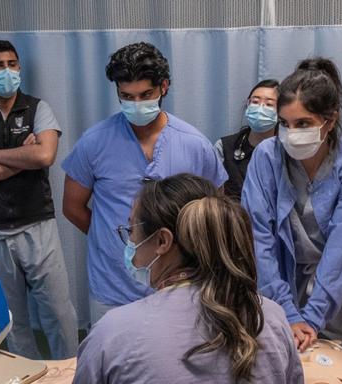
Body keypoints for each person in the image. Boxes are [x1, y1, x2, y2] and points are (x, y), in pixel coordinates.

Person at [68, 174, 303, 384]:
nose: (130, 244)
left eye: (132, 231)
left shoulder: (112, 335)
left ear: (162, 241)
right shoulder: (269, 317)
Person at [61, 42, 227, 327]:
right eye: (126, 96)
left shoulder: (194, 145)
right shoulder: (94, 142)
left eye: (145, 95)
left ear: (164, 87)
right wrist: (116, 242)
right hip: (112, 285)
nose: (136, 104)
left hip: (179, 286)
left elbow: (215, 210)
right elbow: (72, 207)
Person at [0, 40, 78, 360]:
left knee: (58, 313)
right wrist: (25, 156)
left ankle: (72, 374)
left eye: (12, 64)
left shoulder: (38, 108)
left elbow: (46, 154)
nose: (6, 71)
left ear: (19, 68)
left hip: (38, 223)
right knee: (12, 319)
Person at [242, 57, 342, 352]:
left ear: (331, 120)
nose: (291, 133)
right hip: (275, 280)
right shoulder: (267, 156)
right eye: (284, 124)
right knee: (279, 362)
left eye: (303, 124)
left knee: (337, 366)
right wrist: (287, 312)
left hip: (336, 285)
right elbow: (258, 236)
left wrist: (312, 319)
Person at [216, 79, 279, 201]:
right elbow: (213, 196)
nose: (260, 108)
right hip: (232, 217)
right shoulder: (224, 147)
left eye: (269, 104)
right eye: (255, 102)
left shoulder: (286, 150)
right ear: (247, 105)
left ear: (281, 112)